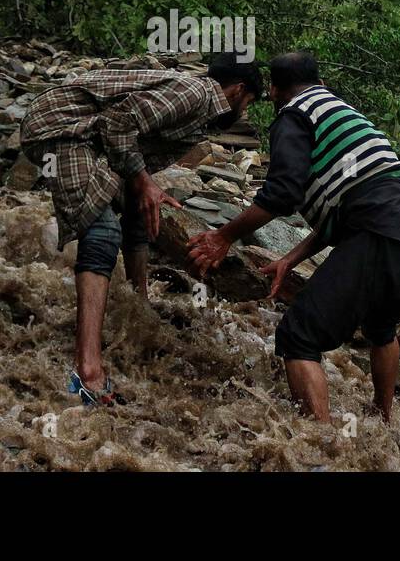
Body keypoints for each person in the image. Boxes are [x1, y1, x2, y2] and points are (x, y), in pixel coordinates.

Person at [187, 51, 400, 422]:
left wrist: (223, 236)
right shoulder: (340, 110)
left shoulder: (294, 116)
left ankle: (320, 449)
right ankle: (384, 420)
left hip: (380, 236)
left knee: (297, 336)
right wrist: (290, 258)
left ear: (274, 90)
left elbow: (281, 195)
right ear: (319, 82)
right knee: (379, 327)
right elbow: (348, 207)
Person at [19, 54, 263, 407]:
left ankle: (140, 309)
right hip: (60, 129)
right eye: (249, 103)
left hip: (91, 136)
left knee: (140, 212)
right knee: (102, 232)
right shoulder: (195, 93)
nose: (243, 113)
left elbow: (131, 136)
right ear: (238, 90)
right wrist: (146, 182)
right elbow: (118, 122)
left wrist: (144, 187)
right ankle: (86, 371)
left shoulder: (199, 103)